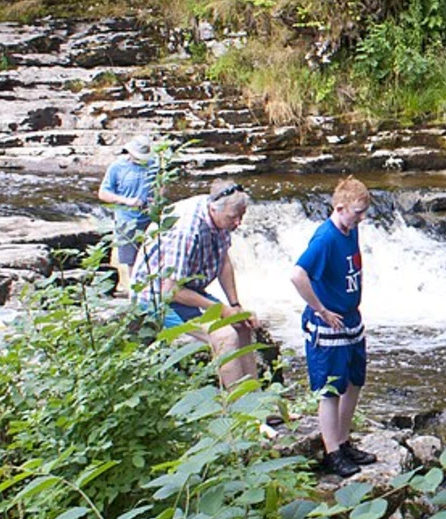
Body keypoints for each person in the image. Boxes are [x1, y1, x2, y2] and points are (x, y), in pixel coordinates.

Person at [132, 178, 260, 390]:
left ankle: (257, 400)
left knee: (242, 324)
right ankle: (238, 404)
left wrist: (235, 305)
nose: (238, 223)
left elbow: (223, 261)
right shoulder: (186, 230)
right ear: (214, 209)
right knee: (225, 336)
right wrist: (221, 310)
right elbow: (171, 290)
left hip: (188, 289)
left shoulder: (219, 214)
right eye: (233, 217)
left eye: (241, 216)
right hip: (157, 296)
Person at [290, 176, 376, 478]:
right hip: (328, 324)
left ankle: (343, 440)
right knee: (331, 389)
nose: (362, 218)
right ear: (339, 208)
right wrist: (321, 309)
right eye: (357, 212)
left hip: (350, 318)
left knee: (354, 381)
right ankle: (332, 452)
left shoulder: (350, 229)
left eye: (364, 212)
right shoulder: (325, 238)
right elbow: (297, 274)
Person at [98, 135, 156, 293]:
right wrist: (126, 201)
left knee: (152, 257)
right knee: (131, 260)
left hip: (149, 219)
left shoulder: (154, 166)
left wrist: (156, 200)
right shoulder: (117, 168)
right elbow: (103, 193)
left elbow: (161, 187)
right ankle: (135, 292)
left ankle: (150, 291)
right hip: (126, 221)